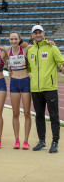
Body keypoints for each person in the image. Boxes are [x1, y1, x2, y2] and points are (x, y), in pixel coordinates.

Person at [27, 25, 64, 153]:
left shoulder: (52, 48)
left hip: (50, 88)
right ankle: (42, 141)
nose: (37, 35)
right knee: (39, 116)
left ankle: (55, 142)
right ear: (32, 35)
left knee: (54, 116)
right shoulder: (30, 51)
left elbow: (61, 63)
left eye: (39, 32)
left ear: (44, 33)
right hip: (35, 89)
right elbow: (29, 69)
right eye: (35, 33)